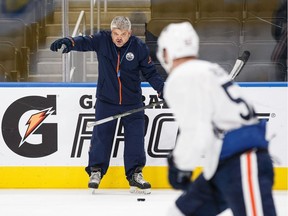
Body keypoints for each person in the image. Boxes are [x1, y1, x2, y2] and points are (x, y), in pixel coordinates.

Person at [157, 22, 276, 216]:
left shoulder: (181, 77)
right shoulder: (210, 69)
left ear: (167, 52)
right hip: (222, 164)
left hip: (243, 162)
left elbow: (195, 130)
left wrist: (180, 165)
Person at [50, 16, 164, 194]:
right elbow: (84, 42)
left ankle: (135, 173)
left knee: (135, 139)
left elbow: (151, 73)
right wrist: (69, 42)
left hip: (132, 102)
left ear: (130, 33)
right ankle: (96, 171)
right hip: (106, 100)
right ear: (111, 32)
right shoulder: (102, 40)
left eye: (123, 34)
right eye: (116, 33)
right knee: (101, 137)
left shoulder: (139, 47)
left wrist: (162, 89)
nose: (119, 37)